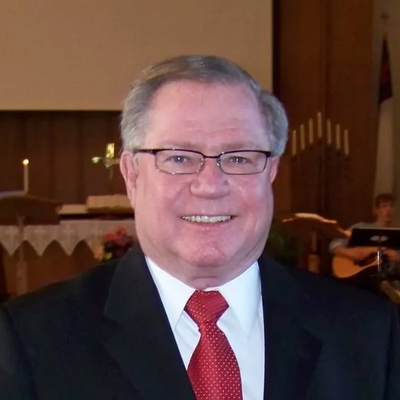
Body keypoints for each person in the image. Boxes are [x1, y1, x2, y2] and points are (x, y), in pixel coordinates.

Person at [0, 55, 399, 400]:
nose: (210, 185)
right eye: (179, 158)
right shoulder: (32, 339)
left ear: (271, 173)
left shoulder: (369, 335)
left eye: (239, 158)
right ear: (132, 175)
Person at [330, 193, 400, 289]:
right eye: (384, 206)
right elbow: (333, 245)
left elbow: (393, 270)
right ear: (376, 210)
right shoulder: (361, 228)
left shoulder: (396, 236)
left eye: (391, 206)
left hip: (379, 284)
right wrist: (351, 253)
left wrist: (397, 259)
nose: (388, 210)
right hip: (353, 280)